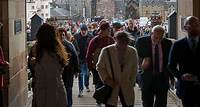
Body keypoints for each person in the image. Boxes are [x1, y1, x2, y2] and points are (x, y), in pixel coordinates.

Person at [135, 25, 174, 107]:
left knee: (162, 103)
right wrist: (141, 65)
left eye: (160, 38)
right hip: (147, 77)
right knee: (147, 103)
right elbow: (136, 58)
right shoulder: (141, 41)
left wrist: (171, 76)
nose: (158, 40)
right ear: (151, 34)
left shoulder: (167, 43)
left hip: (162, 78)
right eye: (156, 38)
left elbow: (169, 62)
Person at [96, 31, 138, 107]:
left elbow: (134, 68)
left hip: (126, 84)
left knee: (128, 104)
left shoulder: (132, 51)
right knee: (110, 104)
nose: (122, 46)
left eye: (125, 43)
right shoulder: (106, 51)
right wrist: (106, 79)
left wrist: (132, 82)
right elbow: (100, 67)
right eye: (120, 43)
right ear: (115, 40)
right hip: (112, 84)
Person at [31, 23, 68, 107]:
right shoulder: (51, 53)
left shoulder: (48, 57)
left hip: (49, 99)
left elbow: (52, 85)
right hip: (50, 96)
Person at [168, 16, 200, 107]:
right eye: (192, 25)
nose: (195, 27)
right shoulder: (178, 45)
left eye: (197, 25)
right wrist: (181, 76)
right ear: (185, 27)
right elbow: (171, 65)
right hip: (186, 88)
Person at [86, 21, 115, 107]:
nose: (109, 31)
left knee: (108, 84)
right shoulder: (95, 40)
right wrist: (90, 67)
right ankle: (99, 101)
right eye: (108, 29)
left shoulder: (111, 40)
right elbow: (88, 55)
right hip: (97, 67)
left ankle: (105, 101)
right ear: (104, 30)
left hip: (109, 67)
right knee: (99, 85)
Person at [57, 28, 79, 107]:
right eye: (59, 35)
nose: (61, 36)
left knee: (68, 88)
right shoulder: (54, 45)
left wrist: (76, 70)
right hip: (58, 71)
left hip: (69, 70)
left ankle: (69, 105)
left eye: (63, 35)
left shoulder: (69, 45)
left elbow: (75, 57)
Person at [74, 24, 93, 97]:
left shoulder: (90, 37)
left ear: (87, 30)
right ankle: (80, 89)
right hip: (80, 58)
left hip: (87, 58)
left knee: (87, 73)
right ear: (80, 30)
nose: (84, 32)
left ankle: (87, 85)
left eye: (85, 30)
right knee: (80, 74)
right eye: (82, 30)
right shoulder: (76, 36)